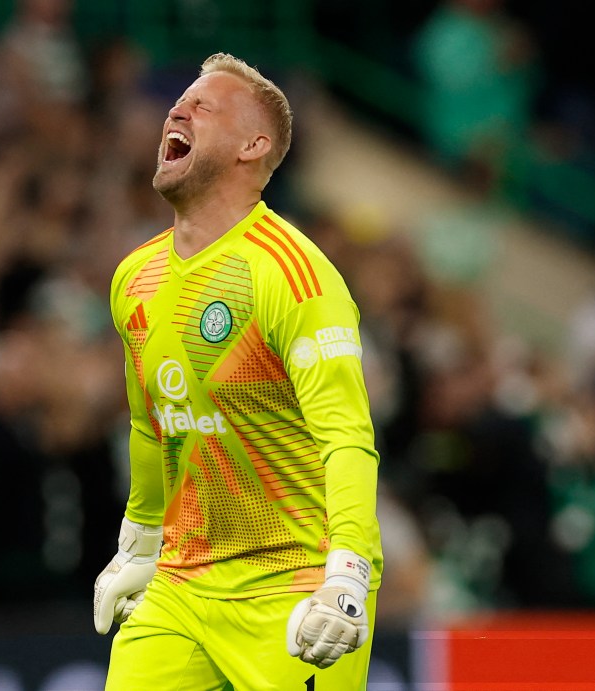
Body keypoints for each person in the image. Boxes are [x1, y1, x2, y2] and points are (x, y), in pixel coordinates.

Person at [93, 53, 383, 690]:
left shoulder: (292, 274)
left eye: (204, 106)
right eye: (179, 103)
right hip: (183, 584)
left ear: (254, 146)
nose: (177, 109)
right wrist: (140, 539)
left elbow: (348, 438)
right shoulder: (133, 278)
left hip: (296, 585)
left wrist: (347, 574)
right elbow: (152, 424)